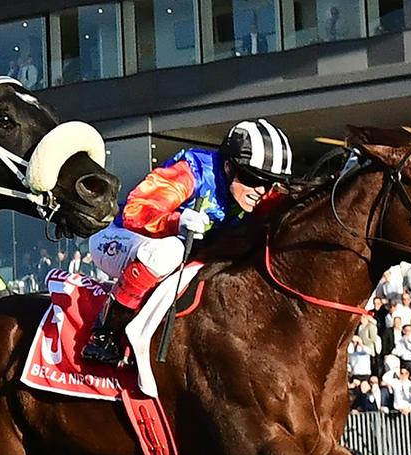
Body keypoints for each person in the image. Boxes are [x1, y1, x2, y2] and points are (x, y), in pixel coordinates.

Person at [83, 118, 293, 364]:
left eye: (269, 182)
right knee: (169, 251)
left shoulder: (260, 194)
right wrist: (175, 221)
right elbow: (135, 210)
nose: (261, 190)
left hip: (176, 252)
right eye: (253, 178)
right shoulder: (192, 171)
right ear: (228, 167)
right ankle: (104, 335)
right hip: (117, 237)